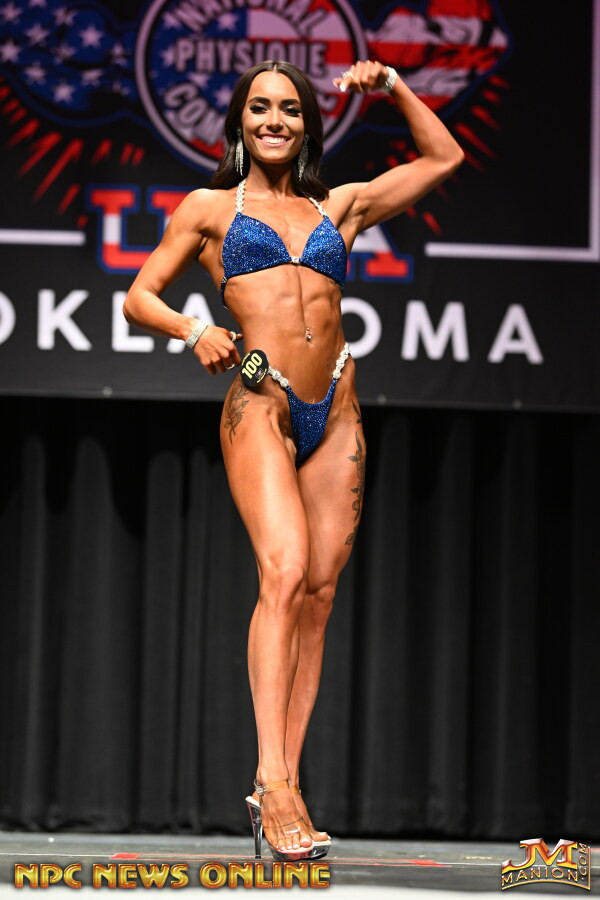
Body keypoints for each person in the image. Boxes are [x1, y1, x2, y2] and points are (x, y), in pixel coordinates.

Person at [123, 58, 464, 861]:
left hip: (336, 405)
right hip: (262, 400)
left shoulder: (337, 206)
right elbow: (140, 295)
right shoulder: (210, 208)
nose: (274, 120)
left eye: (289, 109)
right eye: (259, 108)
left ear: (308, 124)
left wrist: (393, 88)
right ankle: (272, 784)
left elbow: (444, 157)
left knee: (318, 593)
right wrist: (192, 330)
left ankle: (286, 781)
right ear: (239, 122)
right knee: (282, 572)